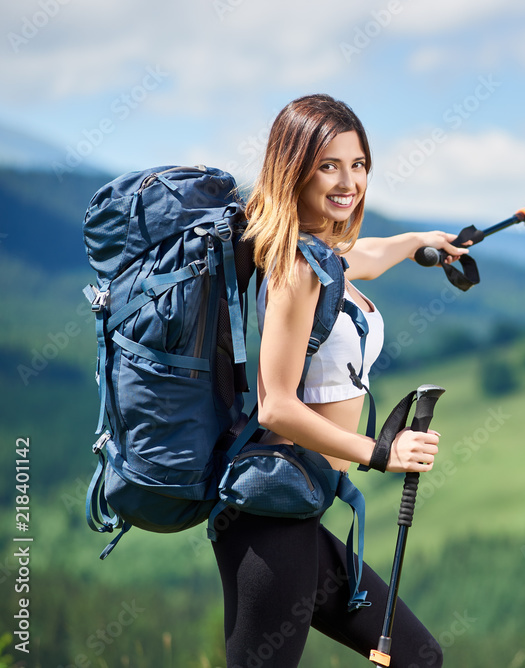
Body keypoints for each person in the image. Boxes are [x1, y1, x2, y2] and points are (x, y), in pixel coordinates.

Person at [211, 93, 466, 667]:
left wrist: (422, 242)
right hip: (268, 521)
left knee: (419, 656)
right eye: (329, 165)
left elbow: (367, 253)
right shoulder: (297, 269)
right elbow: (277, 406)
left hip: (303, 515)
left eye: (358, 164)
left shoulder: (325, 253)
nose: (348, 181)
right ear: (294, 171)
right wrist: (381, 452)